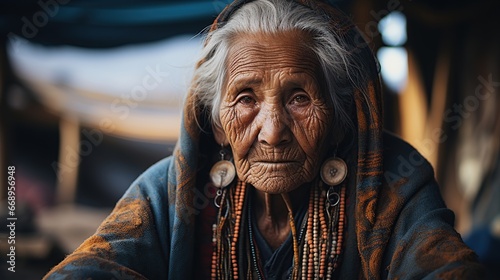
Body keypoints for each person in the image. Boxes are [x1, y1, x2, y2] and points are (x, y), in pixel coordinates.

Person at [44, 0, 484, 279]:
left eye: (299, 98)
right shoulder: (170, 190)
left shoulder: (393, 185)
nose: (272, 131)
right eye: (245, 98)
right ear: (216, 122)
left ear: (338, 117)